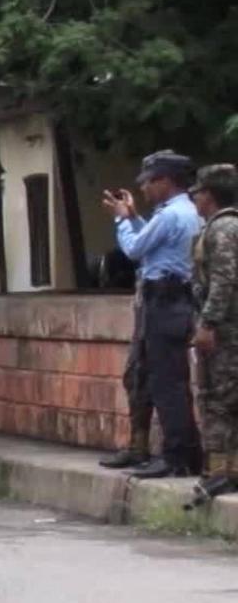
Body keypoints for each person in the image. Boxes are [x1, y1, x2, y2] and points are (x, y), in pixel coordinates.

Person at [101, 150, 203, 479]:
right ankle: (177, 452)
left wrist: (121, 219)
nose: (144, 190)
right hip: (173, 299)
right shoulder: (182, 212)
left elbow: (134, 249)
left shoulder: (171, 215)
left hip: (166, 300)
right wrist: (133, 217)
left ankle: (178, 456)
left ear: (165, 182)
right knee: (160, 378)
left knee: (167, 382)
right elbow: (152, 242)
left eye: (148, 183)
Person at [190, 164, 238, 501]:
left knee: (219, 399)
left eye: (198, 192)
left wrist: (208, 323)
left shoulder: (223, 230)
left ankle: (221, 472)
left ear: (209, 194)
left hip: (226, 331)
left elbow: (224, 280)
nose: (195, 198)